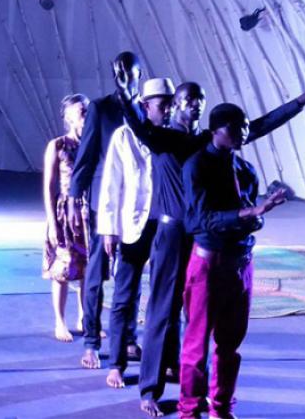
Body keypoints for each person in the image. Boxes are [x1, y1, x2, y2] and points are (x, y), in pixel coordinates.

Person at [115, 66, 305, 417]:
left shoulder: (208, 141)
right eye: (187, 100)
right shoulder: (164, 138)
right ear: (175, 105)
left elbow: (261, 125)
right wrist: (126, 94)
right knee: (163, 311)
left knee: (200, 321)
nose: (194, 105)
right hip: (174, 232)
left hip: (207, 236)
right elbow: (140, 126)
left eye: (200, 99)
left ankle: (195, 390)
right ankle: (150, 389)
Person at [179, 103, 289, 419]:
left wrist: (258, 215)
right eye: (236, 127)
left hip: (241, 264)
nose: (244, 132)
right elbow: (201, 220)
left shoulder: (245, 169)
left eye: (245, 126)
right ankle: (189, 411)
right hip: (209, 265)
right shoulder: (197, 166)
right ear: (216, 130)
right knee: (197, 345)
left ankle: (221, 407)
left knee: (230, 344)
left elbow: (250, 216)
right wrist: (252, 212)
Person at [98, 78, 174, 388]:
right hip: (132, 227)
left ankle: (165, 362)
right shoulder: (124, 136)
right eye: (162, 105)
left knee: (165, 300)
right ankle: (116, 364)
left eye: (171, 105)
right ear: (145, 106)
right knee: (123, 297)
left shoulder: (173, 136)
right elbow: (111, 184)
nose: (168, 111)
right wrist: (109, 230)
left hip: (165, 228)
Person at [69, 51, 143, 369]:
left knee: (131, 274)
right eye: (117, 72)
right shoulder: (101, 108)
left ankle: (128, 338)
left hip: (137, 207)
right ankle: (91, 341)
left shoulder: (145, 109)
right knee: (97, 274)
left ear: (139, 74)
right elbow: (86, 155)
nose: (122, 77)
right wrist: (74, 198)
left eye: (128, 72)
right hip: (105, 204)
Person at [42, 94, 89, 342]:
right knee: (62, 267)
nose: (86, 115)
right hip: (65, 213)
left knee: (89, 268)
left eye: (87, 110)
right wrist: (52, 223)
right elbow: (49, 186)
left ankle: (84, 317)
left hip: (89, 213)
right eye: (81, 111)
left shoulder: (93, 144)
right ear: (69, 117)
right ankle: (60, 321)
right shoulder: (58, 145)